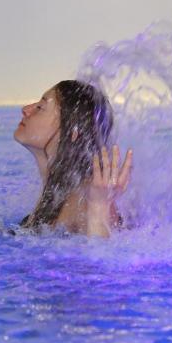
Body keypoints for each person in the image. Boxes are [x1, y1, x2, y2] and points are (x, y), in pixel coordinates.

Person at [13, 80, 132, 237]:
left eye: (40, 107)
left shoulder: (88, 199)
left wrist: (98, 207)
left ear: (72, 131)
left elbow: (104, 256)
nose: (26, 110)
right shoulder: (56, 194)